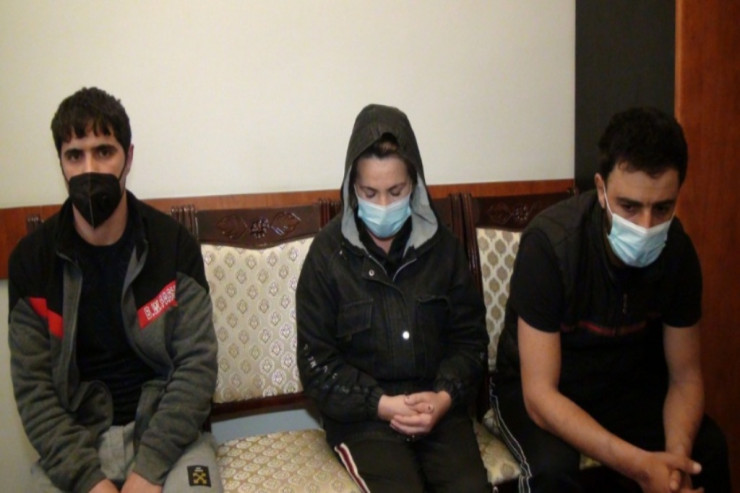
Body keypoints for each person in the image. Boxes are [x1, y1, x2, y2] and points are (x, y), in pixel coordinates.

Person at [493, 107, 730, 492]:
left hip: (624, 386)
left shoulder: (678, 251)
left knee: (709, 451)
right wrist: (641, 467)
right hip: (544, 389)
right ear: (601, 190)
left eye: (662, 208)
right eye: (630, 207)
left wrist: (676, 462)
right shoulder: (550, 245)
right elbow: (540, 396)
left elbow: (685, 376)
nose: (646, 226)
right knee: (553, 469)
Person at [8, 87, 222, 493]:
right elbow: (34, 393)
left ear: (129, 157)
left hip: (169, 440)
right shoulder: (30, 262)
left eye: (104, 151)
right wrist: (91, 482)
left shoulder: (174, 246)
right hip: (78, 447)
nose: (89, 168)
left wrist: (149, 470)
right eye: (75, 155)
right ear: (61, 163)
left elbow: (197, 367)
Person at [296, 104, 490, 493]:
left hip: (438, 411)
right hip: (364, 421)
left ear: (414, 185)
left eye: (396, 191)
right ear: (352, 188)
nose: (383, 205)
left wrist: (444, 397)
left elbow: (471, 342)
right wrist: (381, 404)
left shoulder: (444, 248)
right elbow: (317, 365)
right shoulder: (326, 256)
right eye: (370, 193)